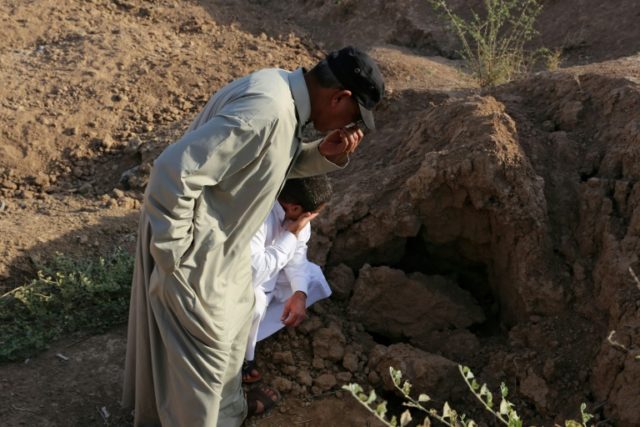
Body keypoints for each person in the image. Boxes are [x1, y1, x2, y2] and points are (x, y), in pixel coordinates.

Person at [122, 46, 384, 426]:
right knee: (203, 382)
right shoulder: (267, 112)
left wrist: (319, 153)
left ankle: (225, 414)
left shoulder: (280, 93)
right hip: (200, 260)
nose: (348, 126)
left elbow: (261, 163)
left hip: (221, 258)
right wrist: (176, 258)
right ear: (340, 97)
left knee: (225, 353)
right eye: (354, 116)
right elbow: (172, 172)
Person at [242, 176, 333, 385]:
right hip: (236, 282)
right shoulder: (259, 215)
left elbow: (298, 253)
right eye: (312, 215)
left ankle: (259, 331)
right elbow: (252, 272)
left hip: (270, 272)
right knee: (255, 305)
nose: (312, 219)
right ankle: (242, 359)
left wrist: (299, 294)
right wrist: (290, 236)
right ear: (294, 208)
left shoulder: (297, 216)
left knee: (312, 278)